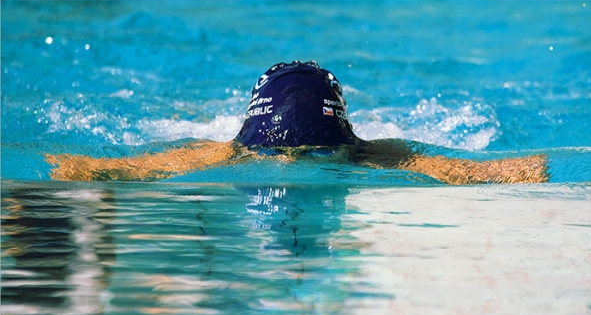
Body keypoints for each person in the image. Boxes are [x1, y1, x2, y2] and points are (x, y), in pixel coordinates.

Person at [46, 60, 549, 184]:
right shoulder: (221, 151)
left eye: (317, 152)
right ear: (251, 143)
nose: (289, 165)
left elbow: (467, 169)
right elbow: (130, 168)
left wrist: (518, 172)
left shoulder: (379, 153)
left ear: (346, 142)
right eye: (277, 152)